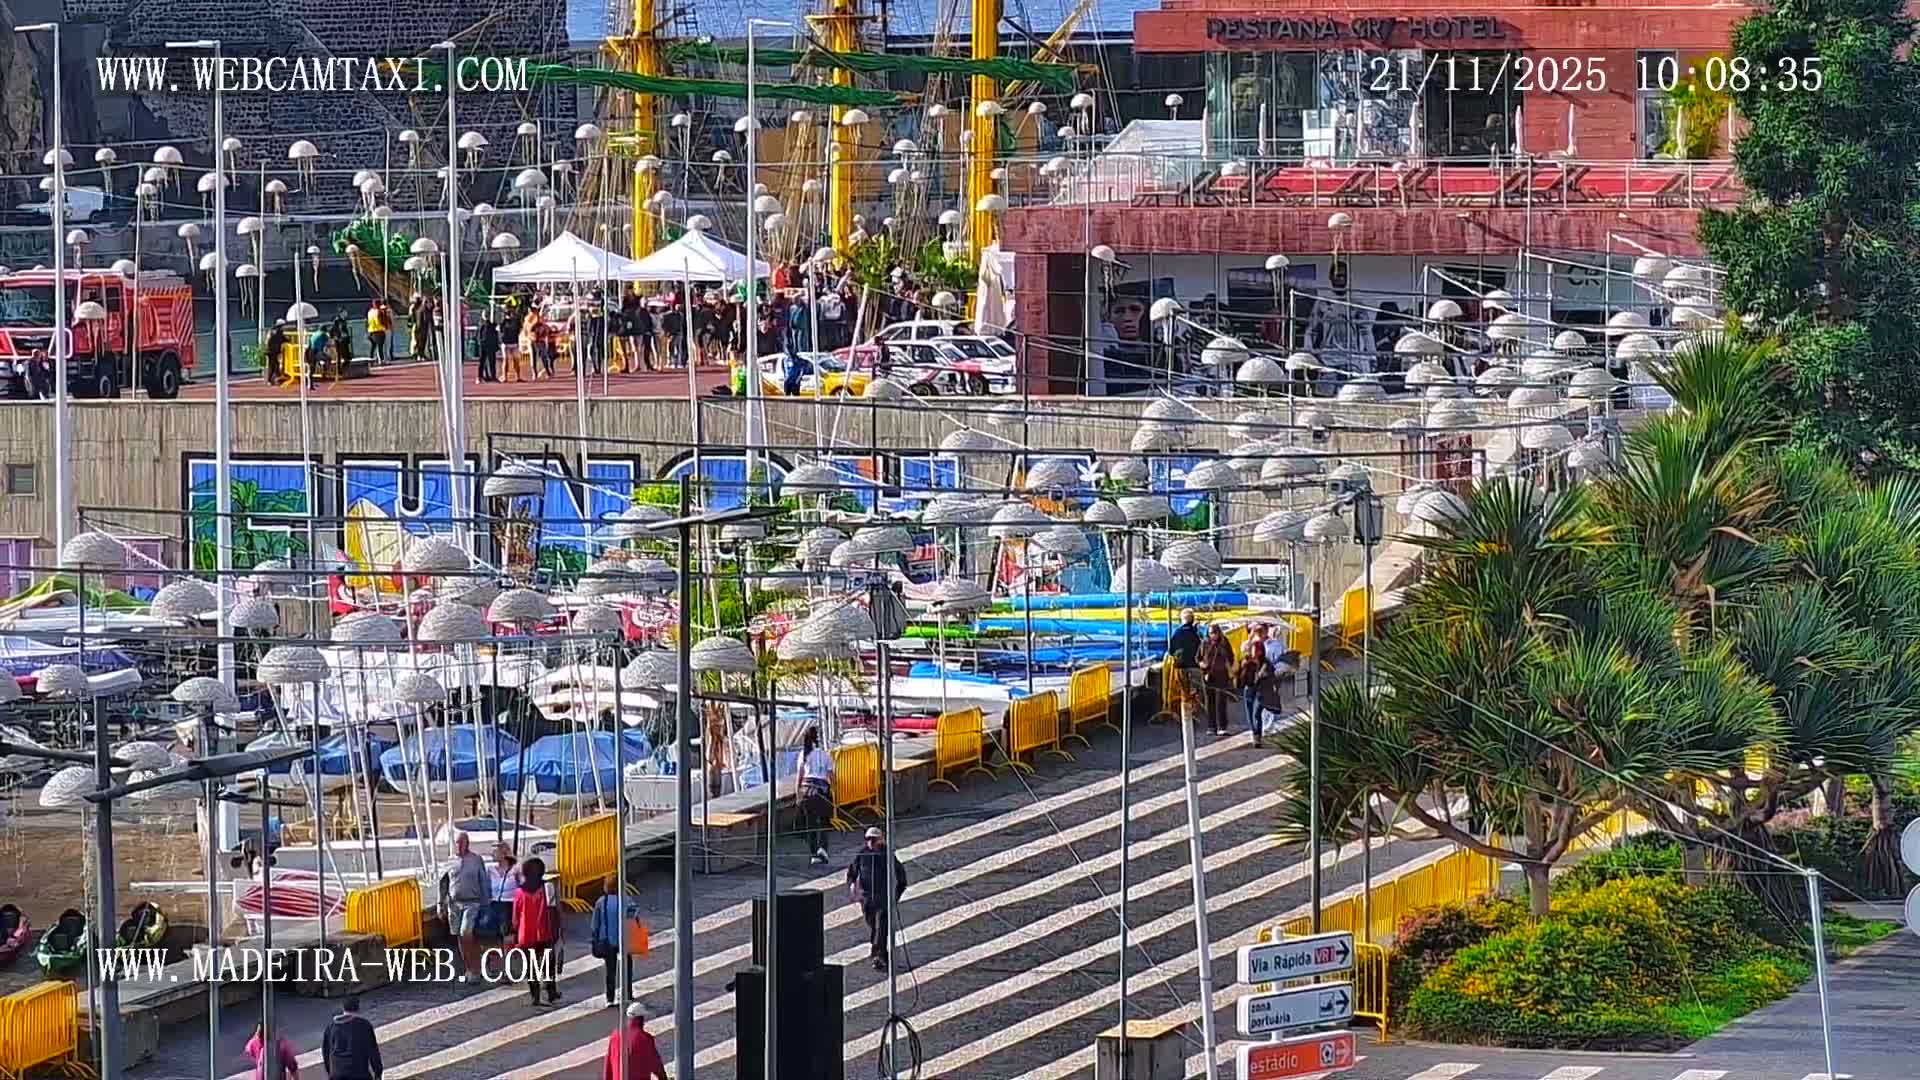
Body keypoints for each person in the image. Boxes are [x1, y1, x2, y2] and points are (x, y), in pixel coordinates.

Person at [846, 826, 908, 972]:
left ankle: (877, 957)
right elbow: (852, 872)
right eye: (867, 839)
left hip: (883, 899)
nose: (870, 842)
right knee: (874, 927)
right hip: (867, 899)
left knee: (881, 929)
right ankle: (883, 956)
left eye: (873, 839)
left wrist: (895, 896)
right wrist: (852, 885)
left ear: (880, 840)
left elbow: (901, 877)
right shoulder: (862, 854)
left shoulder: (887, 855)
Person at [509, 855, 562, 1005]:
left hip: (525, 935)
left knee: (531, 966)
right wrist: (558, 929)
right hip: (544, 932)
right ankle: (551, 992)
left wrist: (515, 931)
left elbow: (515, 916)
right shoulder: (547, 887)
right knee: (548, 964)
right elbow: (554, 910)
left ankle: (535, 996)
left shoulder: (519, 892)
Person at [439, 830, 488, 982]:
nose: (459, 845)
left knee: (466, 932)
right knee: (460, 937)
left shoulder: (476, 860)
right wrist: (440, 904)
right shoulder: (449, 861)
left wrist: (486, 904)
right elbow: (443, 884)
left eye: (462, 842)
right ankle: (469, 969)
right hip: (454, 905)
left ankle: (475, 968)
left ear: (468, 844)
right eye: (457, 843)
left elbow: (483, 882)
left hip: (472, 902)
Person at [589, 889, 643, 1007]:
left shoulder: (601, 902)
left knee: (610, 970)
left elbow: (595, 924)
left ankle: (610, 998)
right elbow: (634, 918)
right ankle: (628, 994)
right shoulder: (627, 900)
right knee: (627, 968)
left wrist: (594, 938)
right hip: (625, 939)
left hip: (607, 940)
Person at [320, 996, 382, 1080]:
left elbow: (326, 1053)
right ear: (358, 1008)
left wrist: (331, 1073)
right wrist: (378, 1073)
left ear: (343, 1008)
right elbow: (373, 1051)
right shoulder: (364, 1025)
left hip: (337, 1074)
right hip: (359, 1073)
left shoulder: (330, 1028)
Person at [798, 726, 835, 865]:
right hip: (821, 791)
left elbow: (800, 777)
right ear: (817, 738)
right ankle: (823, 849)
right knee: (824, 822)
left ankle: (813, 854)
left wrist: (798, 794)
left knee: (811, 824)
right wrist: (834, 792)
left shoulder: (804, 754)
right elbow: (831, 776)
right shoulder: (825, 755)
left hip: (807, 791)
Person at [603, 1003, 669, 1080]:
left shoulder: (615, 1036)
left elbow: (608, 1065)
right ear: (640, 1019)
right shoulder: (645, 1038)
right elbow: (655, 1064)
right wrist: (663, 1077)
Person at [1166, 608, 1203, 728]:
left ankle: (1187, 716)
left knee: (1184, 692)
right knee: (1196, 691)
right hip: (1195, 666)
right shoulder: (1196, 633)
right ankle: (1195, 712)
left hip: (1181, 667)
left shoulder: (1177, 633)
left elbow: (1171, 650)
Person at [1236, 623, 1272, 737]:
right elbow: (1244, 649)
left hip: (1257, 685)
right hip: (1250, 684)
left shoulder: (1263, 658)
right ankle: (1255, 733)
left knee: (1255, 710)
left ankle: (1256, 734)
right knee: (1252, 710)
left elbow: (1268, 668)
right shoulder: (1248, 652)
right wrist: (1251, 637)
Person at [1199, 623, 1234, 737]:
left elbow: (1231, 657)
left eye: (1215, 633)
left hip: (1222, 676)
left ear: (1219, 633)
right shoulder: (1204, 643)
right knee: (1210, 702)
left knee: (1221, 702)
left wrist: (1227, 667)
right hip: (1208, 676)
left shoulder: (1224, 643)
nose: (1213, 635)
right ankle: (1211, 726)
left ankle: (1222, 727)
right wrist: (1202, 665)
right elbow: (1197, 658)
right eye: (1211, 633)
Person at [484, 842, 521, 939]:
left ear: (504, 854)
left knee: (506, 932)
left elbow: (522, 887)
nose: (492, 854)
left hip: (509, 904)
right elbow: (486, 887)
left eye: (495, 852)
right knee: (491, 932)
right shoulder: (490, 870)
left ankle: (508, 952)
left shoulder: (515, 870)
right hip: (494, 904)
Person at [476, 313, 500, 383]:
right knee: (482, 362)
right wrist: (480, 343)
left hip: (491, 346)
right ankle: (480, 377)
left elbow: (496, 335)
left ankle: (493, 376)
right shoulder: (481, 324)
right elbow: (479, 335)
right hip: (483, 345)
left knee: (492, 362)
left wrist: (496, 345)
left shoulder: (493, 325)